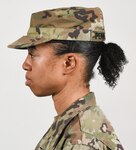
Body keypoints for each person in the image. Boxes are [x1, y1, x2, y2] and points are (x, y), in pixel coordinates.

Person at [8, 7, 127, 150]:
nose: (25, 64)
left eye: (33, 54)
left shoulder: (82, 141)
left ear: (68, 63)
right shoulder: (71, 126)